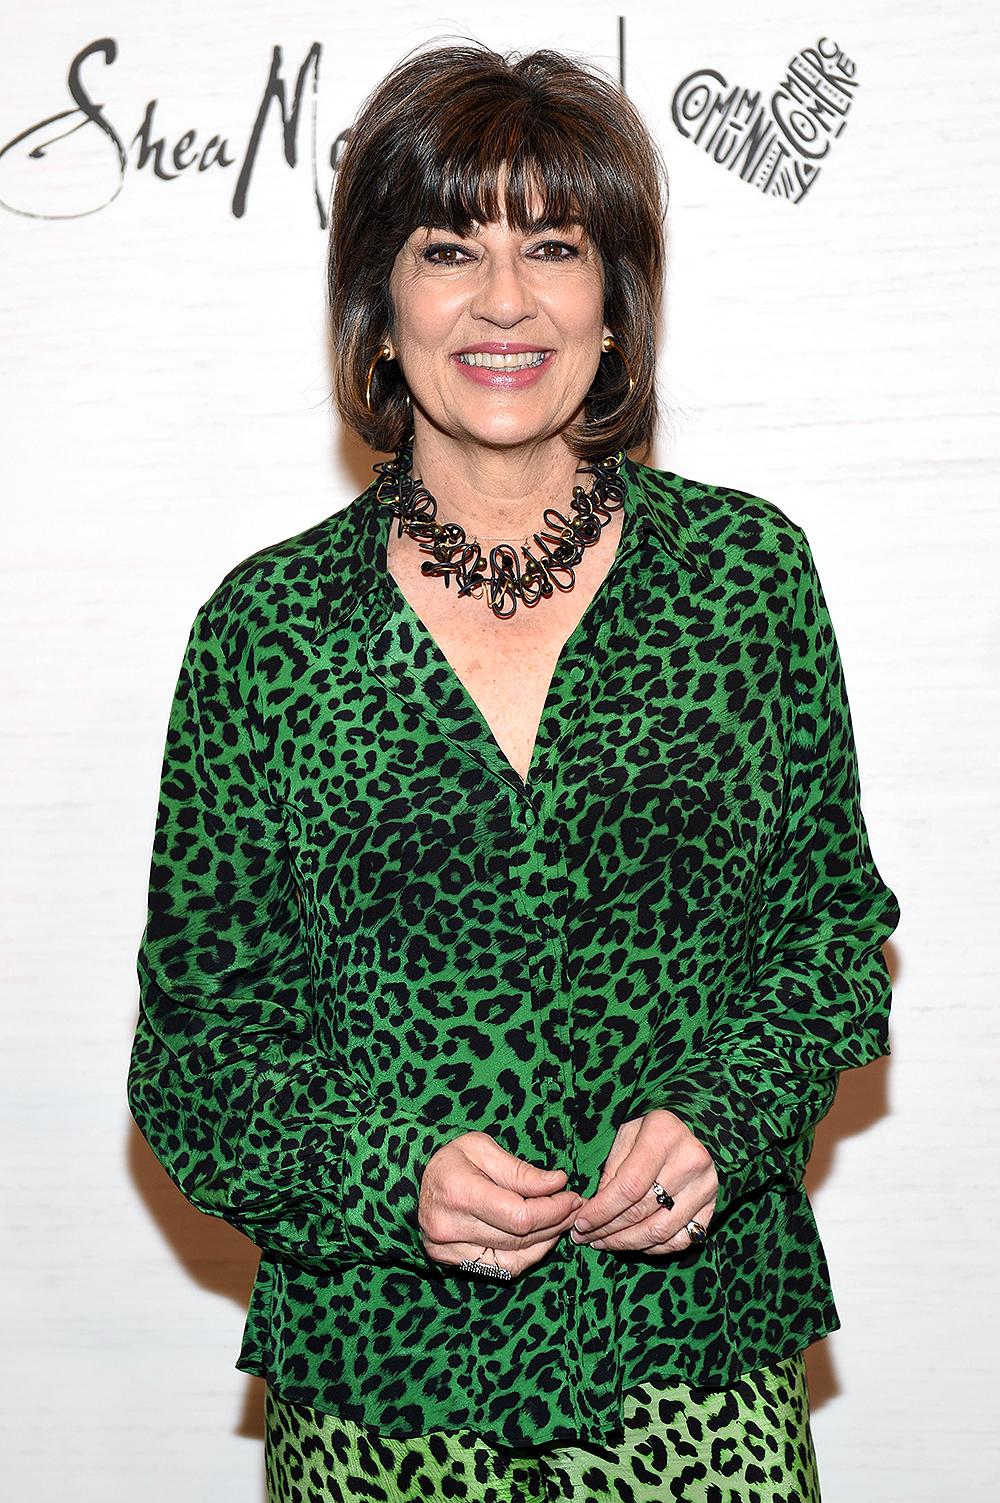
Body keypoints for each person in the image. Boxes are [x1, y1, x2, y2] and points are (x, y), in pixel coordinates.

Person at [129, 43, 898, 1503]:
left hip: (697, 1369)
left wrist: (727, 1119)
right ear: (380, 306)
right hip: (380, 1401)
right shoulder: (265, 635)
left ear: (615, 307)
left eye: (555, 245)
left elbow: (828, 940)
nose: (503, 300)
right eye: (447, 248)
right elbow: (197, 1056)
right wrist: (387, 1181)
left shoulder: (743, 582)